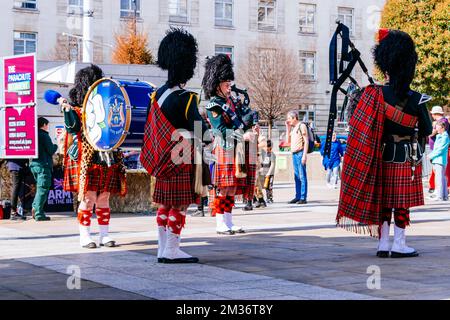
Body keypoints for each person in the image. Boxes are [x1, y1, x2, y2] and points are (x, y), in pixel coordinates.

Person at [336, 29, 433, 258]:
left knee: (384, 202)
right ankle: (399, 244)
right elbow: (428, 130)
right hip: (405, 157)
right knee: (401, 203)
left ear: (385, 66)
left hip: (379, 155)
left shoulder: (373, 94)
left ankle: (382, 244)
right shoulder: (417, 98)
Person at [140, 28, 210, 263]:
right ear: (187, 67)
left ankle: (162, 249)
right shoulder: (187, 97)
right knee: (179, 206)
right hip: (182, 158)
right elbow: (201, 132)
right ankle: (171, 250)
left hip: (161, 158)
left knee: (164, 205)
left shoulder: (156, 95)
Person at [62, 64, 127, 249]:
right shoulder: (74, 107)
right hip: (86, 156)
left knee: (104, 197)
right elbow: (73, 128)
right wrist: (67, 110)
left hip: (106, 155)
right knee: (88, 197)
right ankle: (85, 236)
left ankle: (104, 236)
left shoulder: (107, 103)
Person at [203, 54, 257, 234]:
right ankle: (220, 223)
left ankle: (229, 221)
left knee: (233, 187)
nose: (229, 88)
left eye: (229, 84)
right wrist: (243, 135)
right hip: (224, 147)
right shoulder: (213, 106)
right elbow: (219, 130)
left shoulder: (231, 102)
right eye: (226, 85)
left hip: (236, 149)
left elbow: (239, 121)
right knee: (223, 187)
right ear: (217, 84)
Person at [30, 117, 58, 221]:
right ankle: (38, 213)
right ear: (44, 125)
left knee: (40, 188)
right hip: (43, 165)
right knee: (43, 189)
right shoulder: (44, 135)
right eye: (47, 125)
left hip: (34, 165)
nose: (48, 127)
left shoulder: (34, 134)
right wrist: (56, 144)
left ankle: (34, 207)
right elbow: (51, 150)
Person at [285, 111, 309, 204]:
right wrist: (287, 128)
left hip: (300, 153)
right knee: (297, 176)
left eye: (289, 118)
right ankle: (298, 196)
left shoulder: (301, 126)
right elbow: (287, 141)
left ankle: (303, 197)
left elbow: (306, 141)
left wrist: (304, 155)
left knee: (302, 176)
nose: (288, 120)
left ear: (294, 118)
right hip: (294, 154)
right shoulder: (294, 128)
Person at [427, 106, 449, 193]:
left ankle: (439, 193)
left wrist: (432, 155)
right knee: (438, 173)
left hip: (438, 153)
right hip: (437, 152)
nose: (432, 115)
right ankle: (442, 193)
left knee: (439, 173)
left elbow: (432, 134)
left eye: (432, 114)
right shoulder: (441, 122)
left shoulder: (441, 122)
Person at [256, 139, 276, 206]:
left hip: (270, 174)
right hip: (263, 173)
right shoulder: (263, 154)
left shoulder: (272, 155)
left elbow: (272, 164)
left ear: (270, 147)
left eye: (266, 147)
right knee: (262, 186)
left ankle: (269, 198)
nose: (265, 148)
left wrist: (269, 173)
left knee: (269, 186)